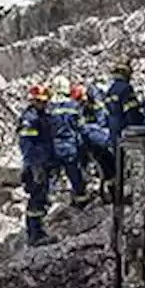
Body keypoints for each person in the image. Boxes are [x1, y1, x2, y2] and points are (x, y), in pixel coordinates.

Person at [17, 84, 56, 246]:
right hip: (35, 165)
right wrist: (35, 166)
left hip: (43, 163)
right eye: (40, 101)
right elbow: (27, 145)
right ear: (33, 101)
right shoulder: (30, 118)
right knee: (37, 199)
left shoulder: (41, 115)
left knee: (41, 198)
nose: (43, 104)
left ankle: (37, 231)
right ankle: (35, 234)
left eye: (44, 101)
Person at [48, 75, 92, 209]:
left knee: (51, 177)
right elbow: (81, 127)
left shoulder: (48, 107)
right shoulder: (73, 106)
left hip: (52, 148)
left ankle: (47, 204)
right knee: (75, 177)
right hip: (69, 148)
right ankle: (81, 203)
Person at [103, 61, 143, 141]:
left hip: (113, 126)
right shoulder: (127, 88)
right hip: (124, 126)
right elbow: (131, 110)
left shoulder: (111, 89)